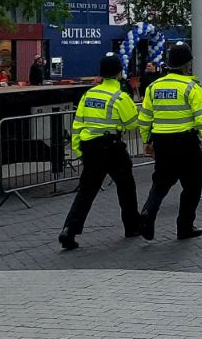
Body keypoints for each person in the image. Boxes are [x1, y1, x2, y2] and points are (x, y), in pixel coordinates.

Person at [58, 54, 141, 250]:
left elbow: (77, 124)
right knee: (126, 187)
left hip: (90, 148)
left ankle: (69, 229)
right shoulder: (120, 96)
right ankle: (131, 226)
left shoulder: (89, 95)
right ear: (120, 73)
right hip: (112, 147)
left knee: (86, 192)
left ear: (101, 73)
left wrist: (78, 149)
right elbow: (132, 123)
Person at [137, 43, 202, 241]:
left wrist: (147, 140)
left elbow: (145, 117)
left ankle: (148, 212)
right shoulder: (191, 87)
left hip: (162, 143)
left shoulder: (154, 87)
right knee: (192, 186)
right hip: (186, 142)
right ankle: (185, 227)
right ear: (187, 64)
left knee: (160, 183)